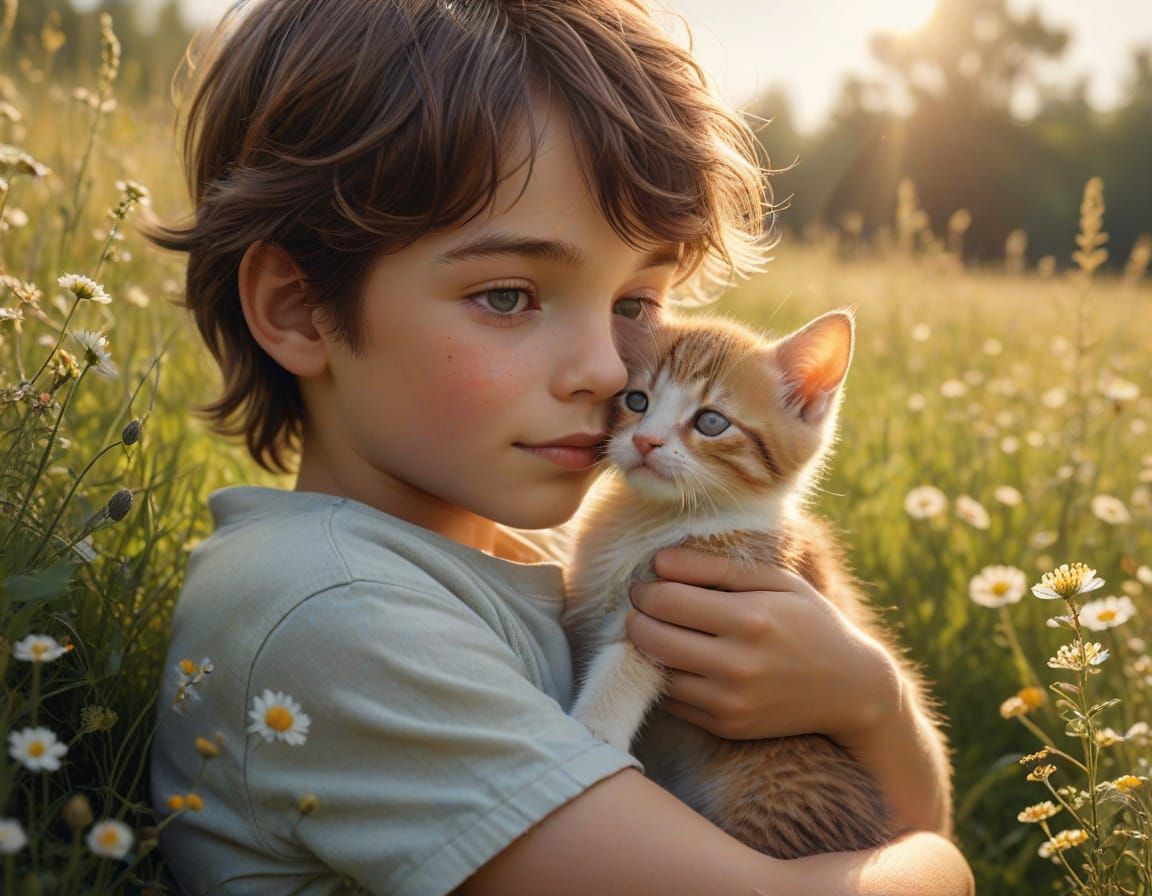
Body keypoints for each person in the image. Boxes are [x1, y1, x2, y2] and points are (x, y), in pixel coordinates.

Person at [147, 1, 973, 893]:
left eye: (636, 307)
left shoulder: (540, 553)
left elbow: (872, 817)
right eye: (508, 295)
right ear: (299, 309)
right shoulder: (337, 614)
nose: (605, 372)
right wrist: (944, 868)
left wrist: (873, 705)